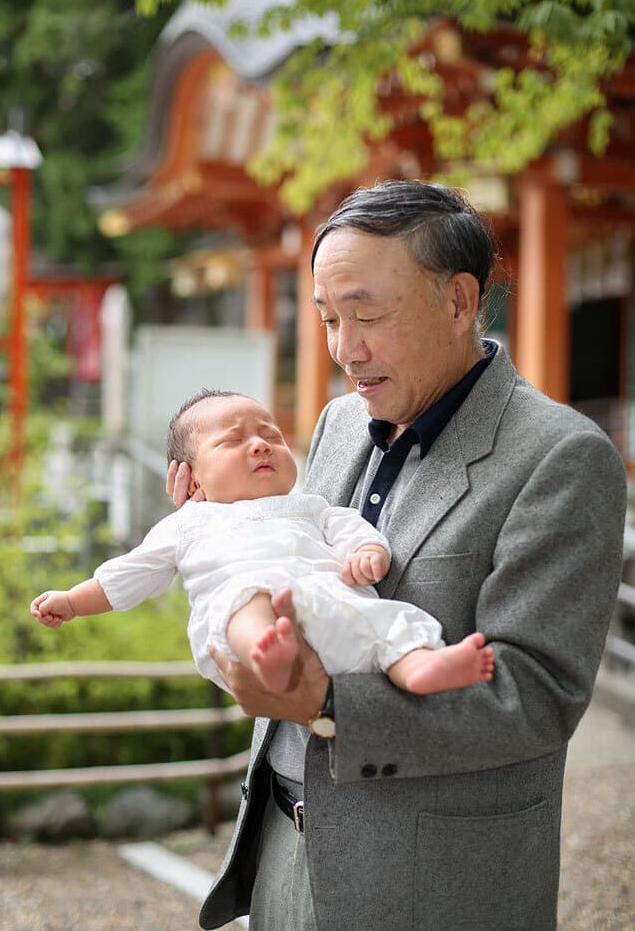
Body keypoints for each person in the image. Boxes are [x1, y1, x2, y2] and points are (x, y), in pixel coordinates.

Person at [166, 180, 627, 931]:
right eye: (327, 319)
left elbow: (537, 695)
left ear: (458, 300)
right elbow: (288, 562)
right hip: (281, 847)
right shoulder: (341, 422)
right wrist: (207, 521)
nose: (346, 350)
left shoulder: (561, 458)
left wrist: (327, 703)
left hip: (433, 884)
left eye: (368, 315)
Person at [30, 390, 495, 701]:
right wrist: (73, 601)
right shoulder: (189, 523)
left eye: (270, 434)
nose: (260, 445)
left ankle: (418, 668)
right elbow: (131, 572)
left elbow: (350, 526)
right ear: (190, 477)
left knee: (388, 620)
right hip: (243, 619)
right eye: (233, 441)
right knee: (245, 600)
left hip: (330, 607)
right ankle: (270, 658)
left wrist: (367, 553)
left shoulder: (310, 506)